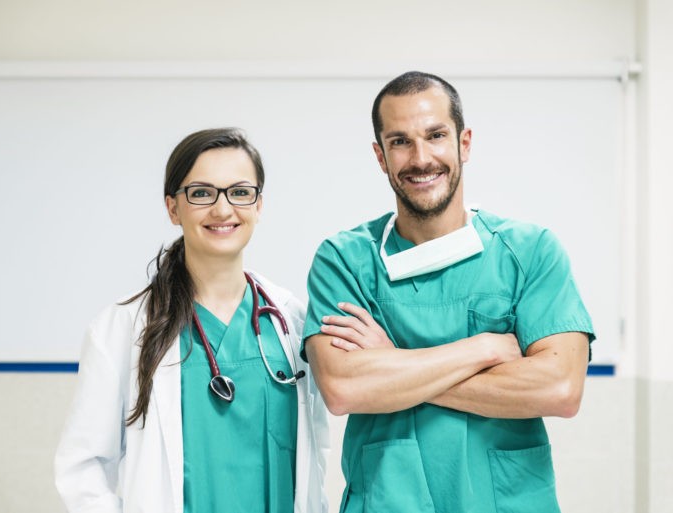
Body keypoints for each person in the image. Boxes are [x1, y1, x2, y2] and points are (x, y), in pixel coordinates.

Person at [302, 72, 595, 513]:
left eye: (435, 135)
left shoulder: (530, 251)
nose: (421, 158)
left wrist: (393, 365)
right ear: (380, 157)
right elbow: (344, 387)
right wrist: (483, 348)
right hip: (388, 501)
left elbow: (559, 388)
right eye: (400, 141)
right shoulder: (344, 260)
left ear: (465, 143)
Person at [55, 128, 329, 513]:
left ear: (258, 205)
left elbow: (313, 455)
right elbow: (83, 469)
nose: (222, 209)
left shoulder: (291, 320)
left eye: (239, 192)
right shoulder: (122, 329)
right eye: (201, 193)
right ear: (173, 208)